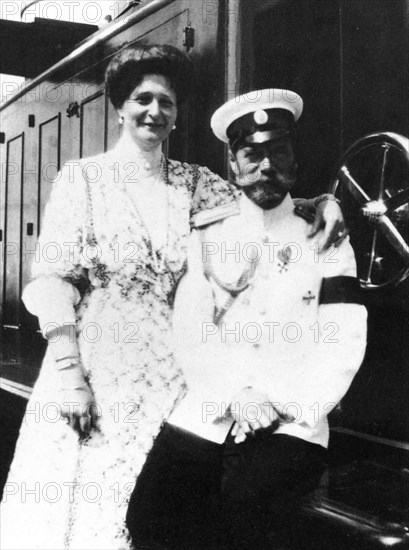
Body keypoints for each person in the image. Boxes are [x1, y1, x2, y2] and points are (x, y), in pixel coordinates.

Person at [0, 41, 344, 550]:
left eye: (167, 102)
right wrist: (72, 376)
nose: (154, 111)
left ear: (178, 114)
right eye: (143, 99)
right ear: (120, 108)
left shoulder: (197, 183)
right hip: (96, 364)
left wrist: (326, 202)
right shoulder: (83, 178)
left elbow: (266, 201)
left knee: (150, 510)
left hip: (172, 373)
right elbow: (53, 279)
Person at [126, 89, 368, 549]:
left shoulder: (326, 236)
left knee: (245, 509)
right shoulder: (209, 233)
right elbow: (192, 329)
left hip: (293, 415)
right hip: (213, 406)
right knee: (150, 509)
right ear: (233, 164)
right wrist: (236, 394)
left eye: (279, 152)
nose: (266, 166)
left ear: (294, 160)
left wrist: (279, 401)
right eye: (252, 154)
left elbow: (344, 341)